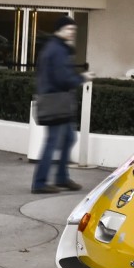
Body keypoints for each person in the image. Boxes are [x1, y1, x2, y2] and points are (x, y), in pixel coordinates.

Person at [32, 16, 93, 194]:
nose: (72, 32)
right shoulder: (57, 50)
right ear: (59, 30)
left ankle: (61, 178)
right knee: (53, 142)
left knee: (68, 139)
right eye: (68, 29)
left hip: (56, 101)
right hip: (56, 102)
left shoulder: (57, 48)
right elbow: (62, 79)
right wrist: (83, 77)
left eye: (73, 30)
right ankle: (40, 183)